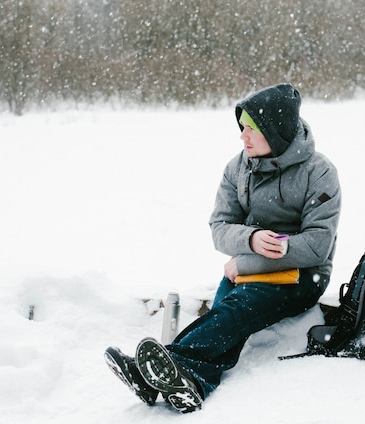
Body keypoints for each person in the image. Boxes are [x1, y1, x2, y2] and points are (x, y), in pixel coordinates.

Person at [104, 83, 341, 413]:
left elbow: (317, 246)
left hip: (302, 275)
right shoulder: (238, 168)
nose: (242, 136)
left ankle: (163, 369)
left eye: (250, 129)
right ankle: (192, 382)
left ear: (275, 132)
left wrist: (248, 263)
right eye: (241, 127)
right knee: (225, 315)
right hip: (246, 264)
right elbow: (220, 228)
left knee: (236, 309)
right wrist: (251, 240)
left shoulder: (319, 172)